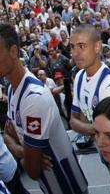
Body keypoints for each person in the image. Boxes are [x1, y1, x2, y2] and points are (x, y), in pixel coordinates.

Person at [0, 24, 88, 194]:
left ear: (13, 51)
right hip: (49, 185)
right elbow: (7, 135)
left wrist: (18, 149)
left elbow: (32, 170)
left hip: (66, 185)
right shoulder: (12, 90)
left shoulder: (33, 99)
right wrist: (22, 150)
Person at [70, 24, 110, 139]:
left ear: (97, 46)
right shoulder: (79, 76)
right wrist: (93, 129)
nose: (75, 53)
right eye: (72, 47)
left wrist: (90, 128)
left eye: (81, 46)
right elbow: (73, 120)